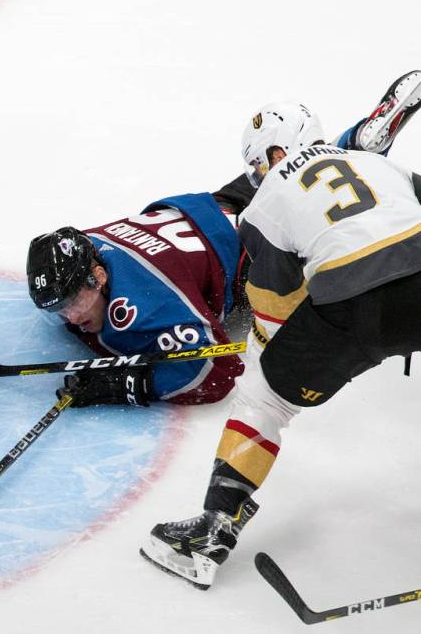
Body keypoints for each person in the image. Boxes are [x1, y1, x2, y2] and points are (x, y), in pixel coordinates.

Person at [141, 71, 421, 589]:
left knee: (264, 398)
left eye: (256, 162)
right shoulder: (377, 163)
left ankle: (212, 530)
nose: (255, 174)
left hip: (354, 300)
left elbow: (272, 308)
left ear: (270, 156)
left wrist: (270, 351)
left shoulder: (263, 204)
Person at [25, 71, 421, 410]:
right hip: (214, 208)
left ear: (98, 275)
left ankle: (348, 155)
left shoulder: (141, 305)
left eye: (74, 301)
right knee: (282, 182)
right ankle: (342, 149)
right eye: (58, 307)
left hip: (249, 247)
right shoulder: (88, 243)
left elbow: (215, 373)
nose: (71, 317)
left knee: (301, 226)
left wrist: (130, 386)